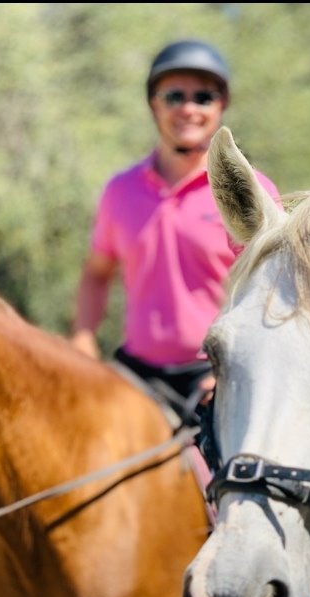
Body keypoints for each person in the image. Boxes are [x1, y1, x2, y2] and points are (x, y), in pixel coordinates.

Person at [69, 38, 280, 420]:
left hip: (216, 377)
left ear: (221, 105)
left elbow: (278, 290)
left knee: (211, 480)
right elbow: (96, 274)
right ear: (154, 104)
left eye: (203, 96)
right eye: (173, 95)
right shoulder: (121, 191)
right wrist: (83, 339)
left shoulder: (251, 191)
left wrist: (237, 367)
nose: (188, 108)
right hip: (136, 377)